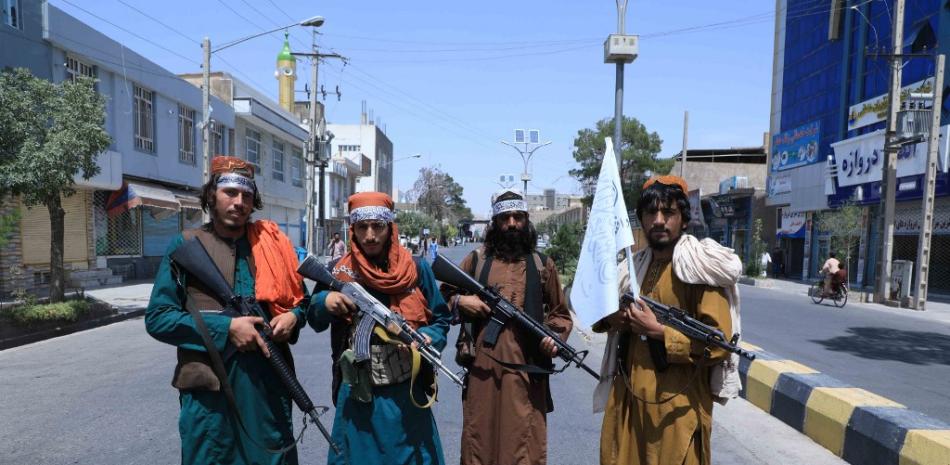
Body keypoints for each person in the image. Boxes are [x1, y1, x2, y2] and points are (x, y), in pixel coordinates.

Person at [145, 156, 308, 465]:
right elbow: (158, 319)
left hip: (266, 390)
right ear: (211, 196)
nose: (239, 202)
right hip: (210, 397)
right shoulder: (186, 246)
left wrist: (294, 317)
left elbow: (303, 300)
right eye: (230, 193)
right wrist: (227, 329)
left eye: (247, 195)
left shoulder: (273, 245)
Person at [593, 175, 737, 465]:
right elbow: (599, 315)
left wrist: (659, 332)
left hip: (676, 409)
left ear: (683, 219)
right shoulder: (633, 267)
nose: (658, 220)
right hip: (629, 402)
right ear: (641, 219)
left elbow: (720, 344)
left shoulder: (698, 269)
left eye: (668, 212)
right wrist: (617, 319)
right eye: (651, 213)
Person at [307, 192, 451, 465]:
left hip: (407, 394)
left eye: (378, 227)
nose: (370, 235)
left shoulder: (416, 270)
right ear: (353, 229)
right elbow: (313, 319)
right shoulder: (338, 271)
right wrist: (326, 301)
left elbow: (441, 319)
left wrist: (429, 338)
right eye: (362, 227)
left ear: (390, 228)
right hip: (359, 393)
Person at [441, 189, 573, 465]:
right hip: (482, 373)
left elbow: (561, 315)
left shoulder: (542, 265)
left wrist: (555, 337)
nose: (512, 224)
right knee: (480, 443)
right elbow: (440, 296)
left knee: (524, 448)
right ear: (495, 223)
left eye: (518, 217)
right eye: (505, 218)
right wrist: (461, 300)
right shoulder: (477, 262)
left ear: (526, 220)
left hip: (527, 375)